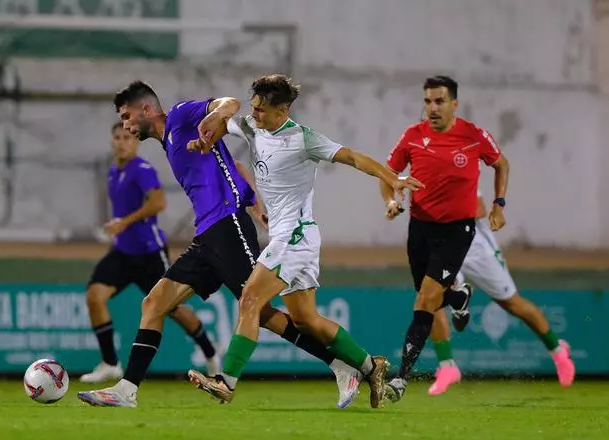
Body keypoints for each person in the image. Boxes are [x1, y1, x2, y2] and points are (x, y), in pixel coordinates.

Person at [77, 81, 365, 408]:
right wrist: (257, 206)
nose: (126, 126)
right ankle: (127, 390)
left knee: (262, 312)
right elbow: (235, 166)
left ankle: (341, 366)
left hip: (228, 225)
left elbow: (229, 103)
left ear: (146, 109)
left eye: (127, 116)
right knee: (154, 304)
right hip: (206, 235)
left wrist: (218, 115)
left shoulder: (182, 117)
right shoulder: (171, 141)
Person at [186, 74, 423, 408]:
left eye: (262, 110)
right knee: (305, 320)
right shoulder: (254, 127)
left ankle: (226, 382)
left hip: (296, 236)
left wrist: (391, 177)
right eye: (253, 108)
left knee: (250, 298)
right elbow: (225, 124)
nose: (255, 115)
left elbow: (353, 157)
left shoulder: (303, 138)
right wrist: (206, 137)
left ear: (282, 111)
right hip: (290, 236)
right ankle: (372, 366)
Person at [380, 75, 509, 403]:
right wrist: (392, 201)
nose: (432, 108)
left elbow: (501, 164)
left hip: (457, 230)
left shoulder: (473, 135)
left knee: (423, 302)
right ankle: (458, 298)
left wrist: (498, 204)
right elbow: (388, 174)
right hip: (420, 229)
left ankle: (401, 377)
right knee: (428, 297)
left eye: (439, 101)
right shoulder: (413, 136)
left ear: (454, 103)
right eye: (427, 101)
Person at [80, 121, 219, 384]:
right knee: (95, 296)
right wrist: (118, 228)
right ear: (112, 141)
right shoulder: (113, 172)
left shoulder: (141, 170)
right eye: (118, 137)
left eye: (127, 137)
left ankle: (211, 354)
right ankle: (110, 363)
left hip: (149, 252)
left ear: (135, 142)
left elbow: (158, 202)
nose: (122, 142)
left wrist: (124, 222)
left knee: (173, 309)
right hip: (122, 252)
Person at [427, 190, 575, 395]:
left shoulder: (458, 162)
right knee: (431, 297)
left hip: (475, 247)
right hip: (444, 247)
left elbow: (478, 208)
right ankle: (447, 365)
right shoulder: (421, 170)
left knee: (512, 303)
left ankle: (558, 351)